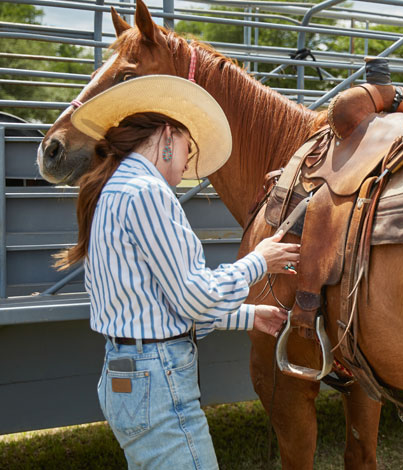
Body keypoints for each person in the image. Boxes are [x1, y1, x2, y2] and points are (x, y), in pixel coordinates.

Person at [54, 75, 299, 469]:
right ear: (167, 135)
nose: (190, 162)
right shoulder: (148, 193)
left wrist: (251, 315)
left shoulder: (114, 189)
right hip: (158, 379)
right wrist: (261, 259)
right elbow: (194, 296)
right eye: (189, 146)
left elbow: (164, 302)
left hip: (128, 374)